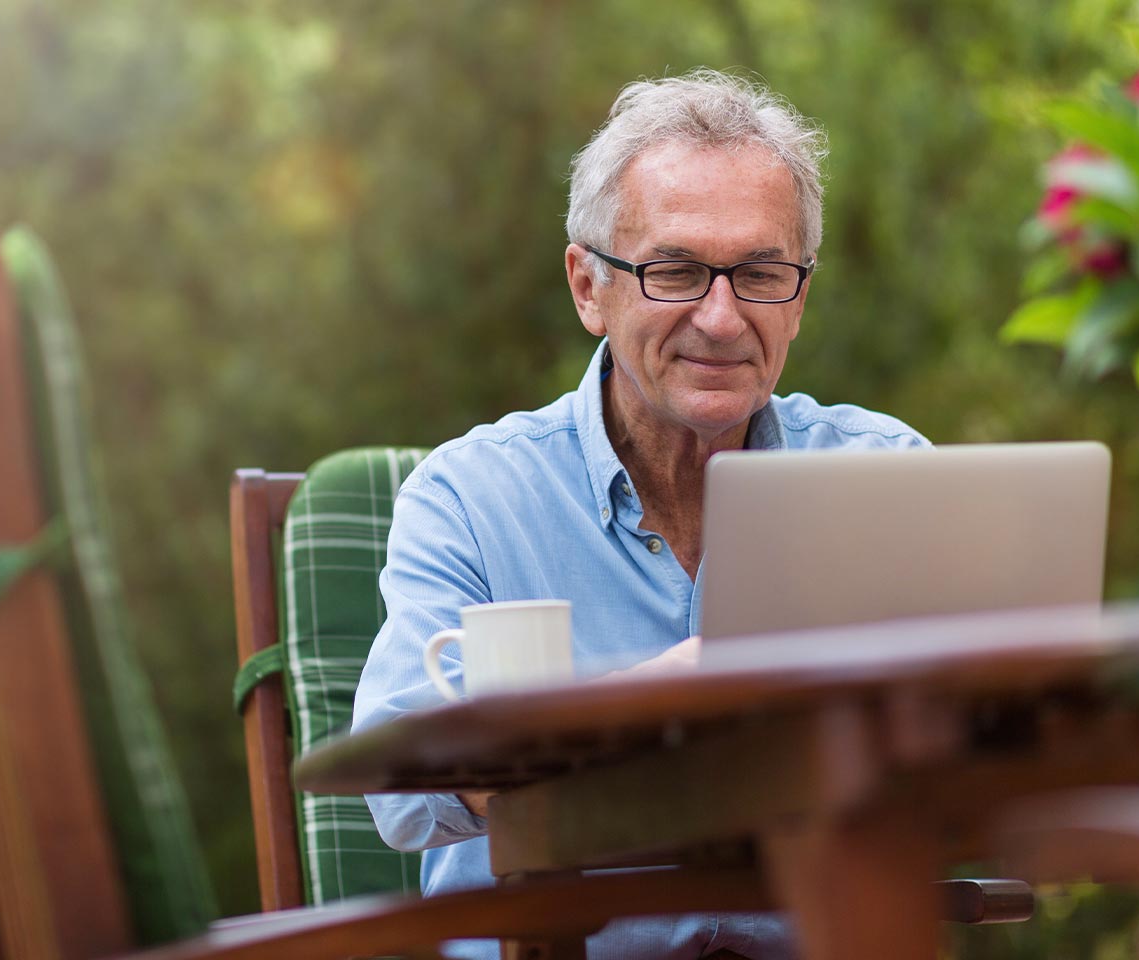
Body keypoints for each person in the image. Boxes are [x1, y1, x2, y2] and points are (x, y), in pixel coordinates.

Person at [351, 68, 930, 960]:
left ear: (801, 295)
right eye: (676, 270)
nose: (723, 316)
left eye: (762, 272)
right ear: (589, 287)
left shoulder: (884, 476)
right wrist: (651, 709)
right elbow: (401, 786)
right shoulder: (470, 497)